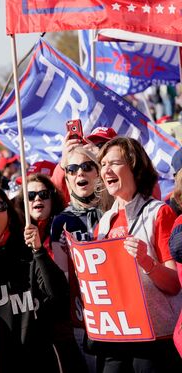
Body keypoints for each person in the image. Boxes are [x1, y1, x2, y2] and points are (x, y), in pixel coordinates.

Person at [0, 184, 69, 372]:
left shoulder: (28, 254)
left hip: (34, 361)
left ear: (8, 215)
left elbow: (58, 295)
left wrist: (39, 251)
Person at [92, 137, 182, 372]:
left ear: (134, 166)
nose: (106, 170)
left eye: (114, 163)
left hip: (153, 340)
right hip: (115, 337)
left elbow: (174, 284)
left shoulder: (159, 213)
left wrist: (146, 261)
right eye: (103, 164)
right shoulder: (103, 224)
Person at [50, 146, 109, 372]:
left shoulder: (114, 211)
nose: (80, 174)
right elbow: (62, 275)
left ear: (98, 172)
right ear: (67, 178)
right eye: (72, 169)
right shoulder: (61, 221)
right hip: (84, 320)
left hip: (121, 317)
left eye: (87, 167)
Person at [15, 173, 65, 259]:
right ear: (23, 202)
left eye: (43, 194)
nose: (37, 198)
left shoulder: (65, 228)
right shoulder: (15, 232)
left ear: (52, 199)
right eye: (30, 196)